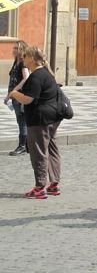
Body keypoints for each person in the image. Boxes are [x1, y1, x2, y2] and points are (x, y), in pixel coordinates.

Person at [9, 46, 61, 199]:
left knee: (39, 152)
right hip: (53, 117)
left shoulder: (36, 76)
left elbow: (29, 99)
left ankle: (40, 187)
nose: (22, 58)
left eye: (25, 56)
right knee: (52, 149)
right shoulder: (47, 74)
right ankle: (54, 183)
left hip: (40, 119)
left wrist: (14, 93)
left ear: (31, 58)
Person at [5, 40, 30, 156]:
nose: (13, 50)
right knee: (21, 121)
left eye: (16, 48)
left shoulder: (22, 63)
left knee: (22, 121)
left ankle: (23, 146)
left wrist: (15, 90)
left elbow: (26, 78)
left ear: (21, 50)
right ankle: (27, 145)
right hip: (15, 96)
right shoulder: (15, 62)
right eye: (13, 48)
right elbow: (13, 80)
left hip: (20, 97)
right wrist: (8, 95)